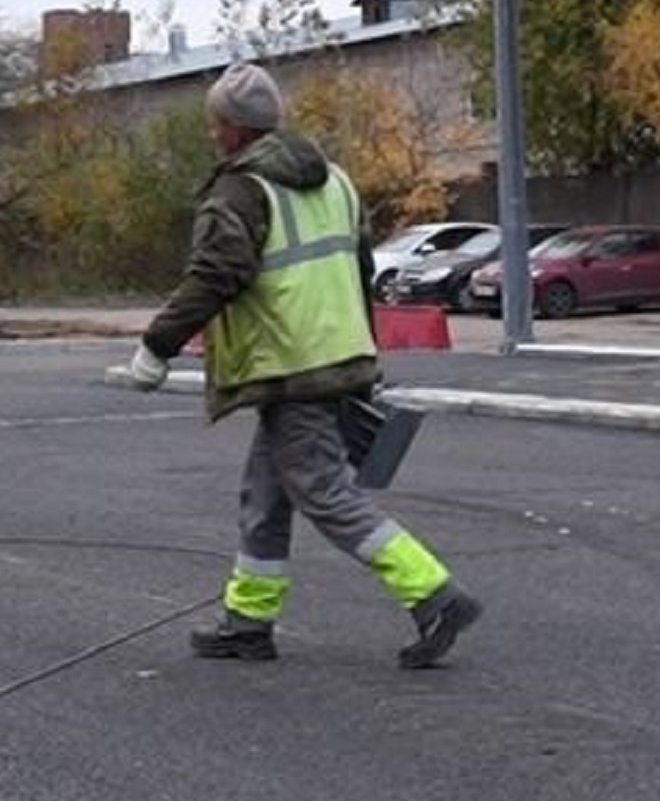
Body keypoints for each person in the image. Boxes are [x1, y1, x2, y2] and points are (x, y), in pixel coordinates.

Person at [127, 62, 482, 669]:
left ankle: (433, 593)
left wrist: (157, 345)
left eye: (215, 124)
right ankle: (249, 621)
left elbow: (215, 275)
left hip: (292, 364)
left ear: (233, 129)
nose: (213, 135)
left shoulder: (242, 190)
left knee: (325, 494)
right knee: (265, 494)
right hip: (335, 357)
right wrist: (367, 356)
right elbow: (359, 271)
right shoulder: (336, 181)